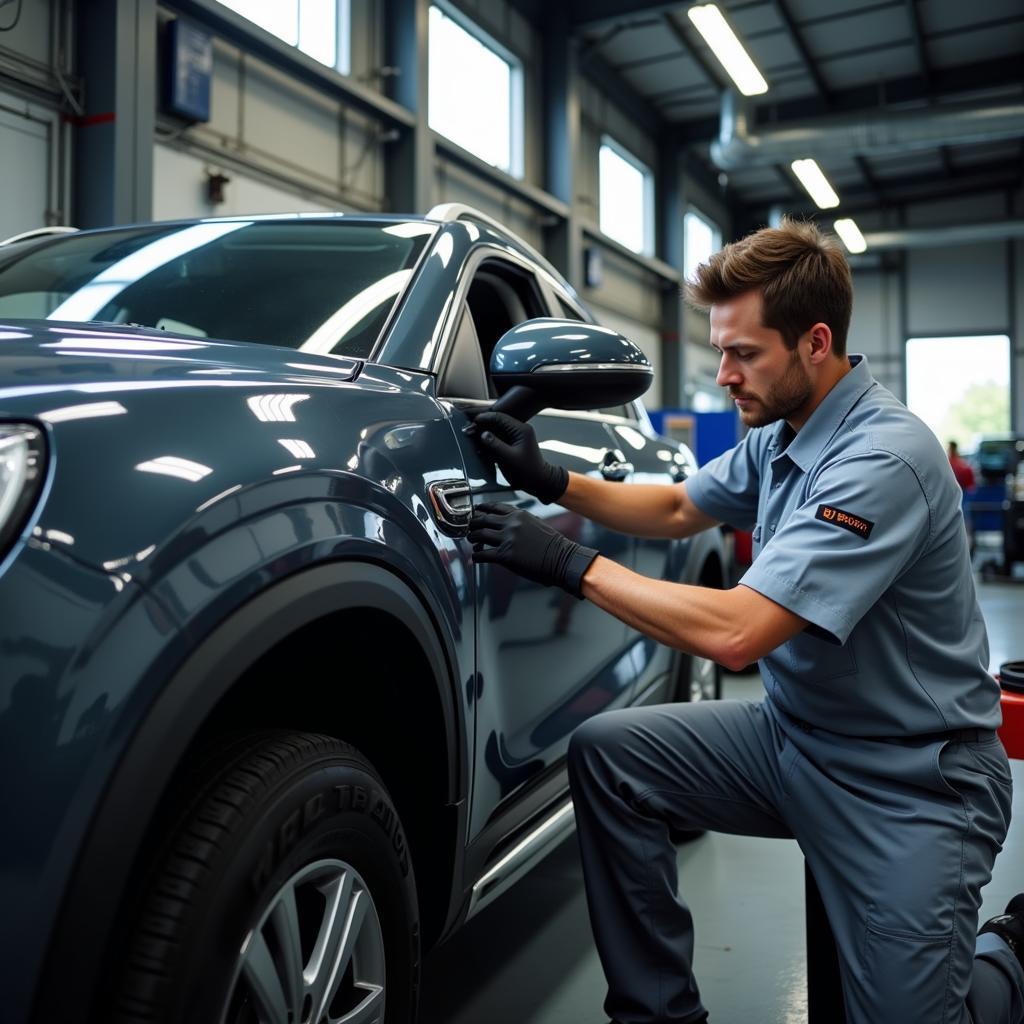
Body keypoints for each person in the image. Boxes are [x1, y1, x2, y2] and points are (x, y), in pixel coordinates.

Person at [465, 218, 1023, 1024]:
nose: (724, 375)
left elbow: (737, 632)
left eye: (743, 353)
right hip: (796, 741)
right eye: (721, 351)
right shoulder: (782, 436)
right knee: (612, 758)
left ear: (815, 343)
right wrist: (552, 479)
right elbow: (679, 504)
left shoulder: (882, 459)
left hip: (913, 781)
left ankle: (1007, 957)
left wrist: (568, 563)